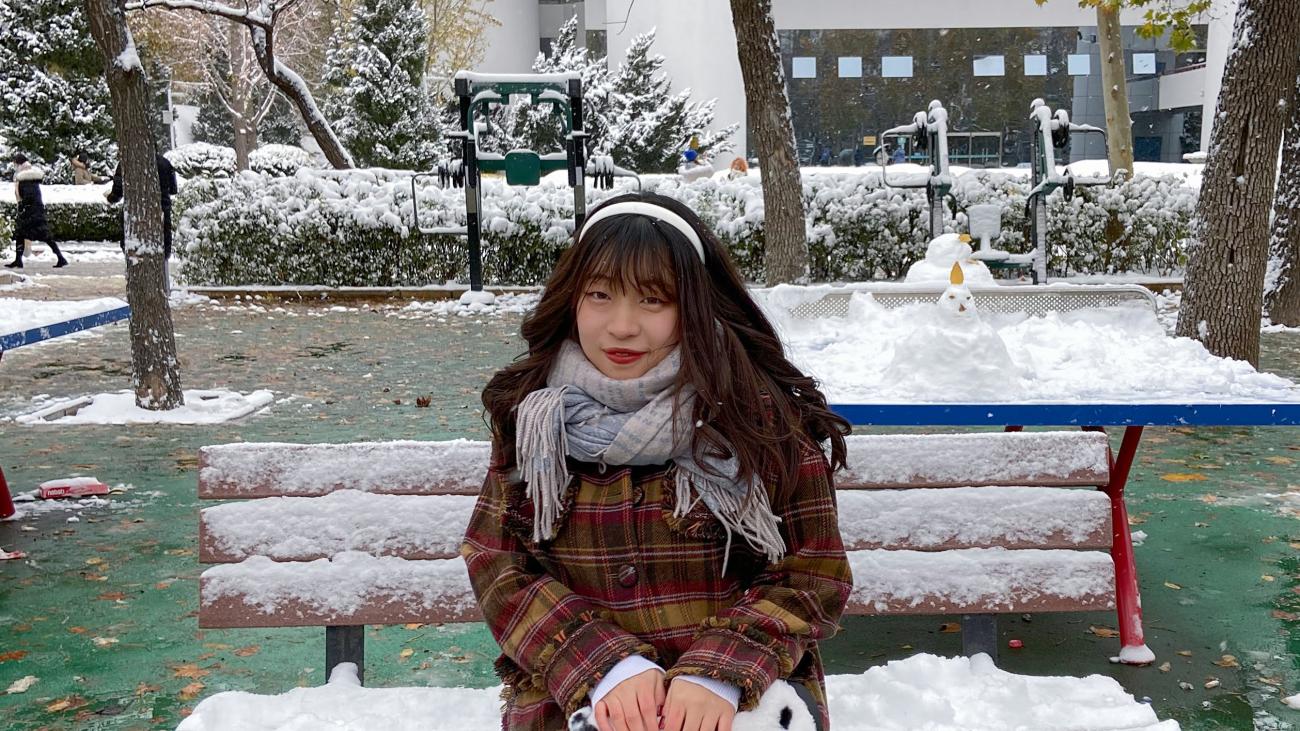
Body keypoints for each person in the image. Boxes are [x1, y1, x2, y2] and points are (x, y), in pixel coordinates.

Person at [465, 192, 853, 731]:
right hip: (580, 702)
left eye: (653, 300)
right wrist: (605, 665)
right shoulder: (534, 420)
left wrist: (719, 672)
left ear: (693, 304)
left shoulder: (759, 420)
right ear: (572, 299)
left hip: (741, 706)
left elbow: (814, 573)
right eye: (599, 295)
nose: (622, 326)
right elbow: (498, 562)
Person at [105, 153, 179, 258]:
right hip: (162, 210)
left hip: (134, 215)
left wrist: (111, 198)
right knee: (162, 248)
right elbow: (173, 189)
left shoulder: (125, 163)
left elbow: (118, 190)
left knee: (134, 251)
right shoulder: (165, 163)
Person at [6, 154, 68, 269]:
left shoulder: (27, 178)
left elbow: (29, 196)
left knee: (44, 236)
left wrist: (23, 206)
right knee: (22, 234)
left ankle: (61, 258)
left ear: (19, 164)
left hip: (32, 213)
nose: (14, 165)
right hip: (31, 212)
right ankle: (18, 260)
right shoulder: (26, 177)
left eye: (15, 163)